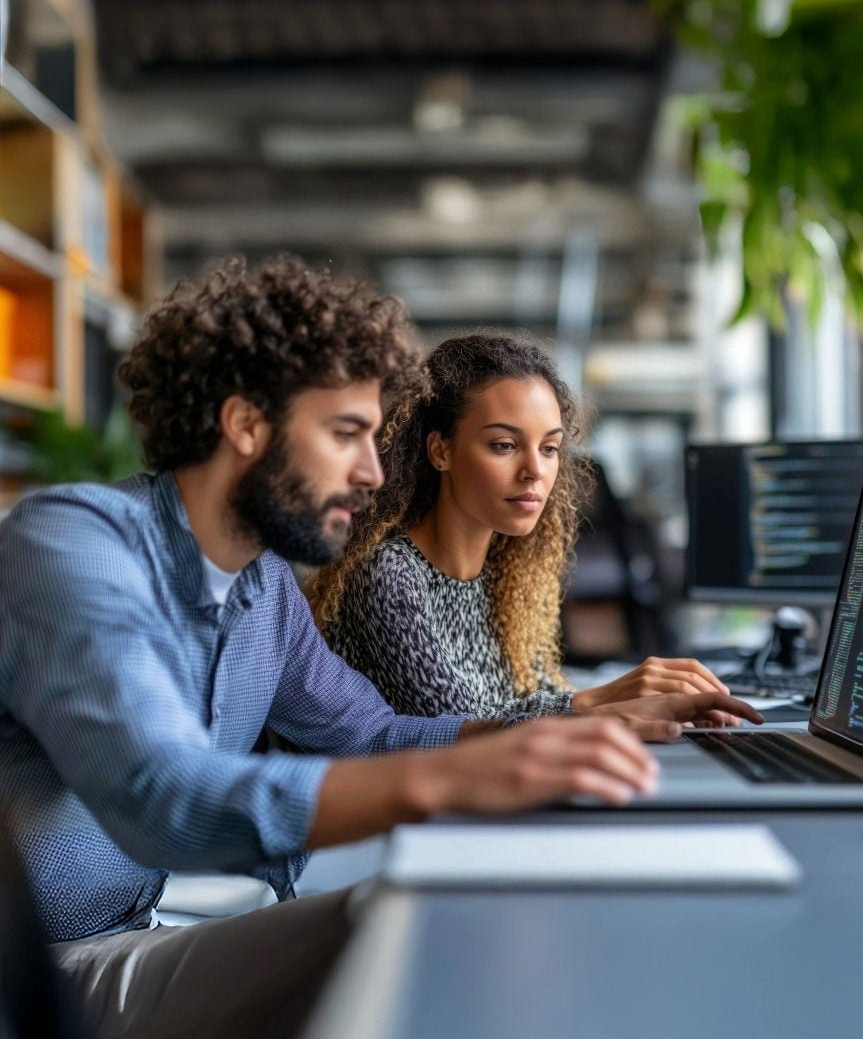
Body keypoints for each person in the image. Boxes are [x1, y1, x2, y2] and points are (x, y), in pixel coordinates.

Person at [0, 256, 758, 1039]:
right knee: (405, 943)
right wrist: (452, 777)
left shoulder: (260, 585)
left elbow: (371, 733)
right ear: (246, 425)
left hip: (138, 930)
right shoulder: (72, 544)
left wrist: (548, 732)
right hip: (37, 974)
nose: (370, 472)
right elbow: (161, 795)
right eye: (346, 434)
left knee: (415, 919)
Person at [309, 332, 736, 723]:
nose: (535, 470)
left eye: (549, 448)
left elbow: (539, 694)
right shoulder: (387, 573)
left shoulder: (507, 573)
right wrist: (599, 699)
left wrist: (647, 698)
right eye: (504, 445)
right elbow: (466, 728)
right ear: (441, 451)